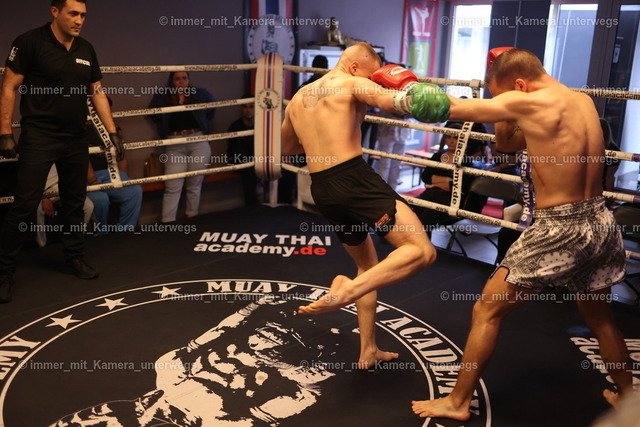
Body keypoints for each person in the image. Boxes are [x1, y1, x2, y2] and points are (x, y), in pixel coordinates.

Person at [411, 48, 632, 420]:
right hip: (599, 222)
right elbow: (508, 144)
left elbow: (452, 107)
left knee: (486, 310)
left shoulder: (531, 101)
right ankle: (628, 398)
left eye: (506, 96)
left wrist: (401, 88)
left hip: (558, 228)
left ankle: (458, 401)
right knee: (600, 319)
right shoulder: (581, 102)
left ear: (519, 84)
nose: (506, 104)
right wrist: (504, 107)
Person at [282, 43, 447, 368]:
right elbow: (392, 103)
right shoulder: (352, 82)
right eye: (373, 75)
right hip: (354, 179)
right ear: (357, 66)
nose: (375, 81)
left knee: (369, 267)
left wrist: (319, 141)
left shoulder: (298, 98)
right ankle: (346, 290)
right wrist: (413, 93)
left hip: (323, 188)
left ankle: (368, 349)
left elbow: (288, 148)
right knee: (422, 251)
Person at [0, 0, 124, 303]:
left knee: (74, 202)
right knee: (24, 204)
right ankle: (4, 272)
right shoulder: (29, 42)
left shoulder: (86, 48)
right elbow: (9, 86)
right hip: (39, 137)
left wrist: (112, 132)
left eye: (83, 15)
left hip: (75, 138)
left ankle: (74, 257)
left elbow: (96, 91)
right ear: (55, 12)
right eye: (73, 13)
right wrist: (5, 132)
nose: (79, 20)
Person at [52, 298, 336, 425]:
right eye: (266, 332)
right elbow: (215, 334)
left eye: (277, 335)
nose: (267, 338)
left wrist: (287, 367)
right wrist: (250, 309)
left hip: (212, 416)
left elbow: (310, 391)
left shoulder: (283, 380)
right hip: (176, 405)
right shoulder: (174, 369)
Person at [148, 72, 216, 223]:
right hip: (174, 142)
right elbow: (151, 112)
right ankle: (167, 221)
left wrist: (204, 123)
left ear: (189, 80)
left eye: (184, 78)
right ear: (171, 81)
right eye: (177, 79)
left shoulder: (199, 93)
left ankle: (192, 216)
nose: (181, 82)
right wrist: (163, 127)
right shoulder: (163, 96)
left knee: (194, 184)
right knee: (172, 185)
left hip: (198, 140)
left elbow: (213, 107)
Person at [415, 120, 489, 235]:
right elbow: (425, 177)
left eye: (455, 137)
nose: (451, 140)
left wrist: (435, 181)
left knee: (422, 223)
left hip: (449, 201)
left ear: (463, 140)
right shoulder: (438, 156)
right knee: (407, 213)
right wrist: (446, 180)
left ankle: (423, 246)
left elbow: (457, 186)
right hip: (428, 194)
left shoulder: (467, 161)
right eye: (448, 137)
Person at [86, 121, 142, 235]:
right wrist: (93, 180)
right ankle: (101, 235)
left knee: (134, 191)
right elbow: (81, 158)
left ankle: (124, 232)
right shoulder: (76, 125)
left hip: (111, 173)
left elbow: (120, 153)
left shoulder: (110, 126)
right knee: (100, 199)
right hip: (84, 176)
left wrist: (123, 177)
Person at [36, 165, 94, 247]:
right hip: (41, 190)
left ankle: (75, 239)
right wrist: (43, 196)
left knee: (88, 206)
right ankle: (41, 244)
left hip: (62, 186)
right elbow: (32, 178)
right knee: (38, 210)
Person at [227, 97, 259, 205]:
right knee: (249, 171)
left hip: (258, 159)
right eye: (245, 107)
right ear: (241, 108)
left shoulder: (261, 125)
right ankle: (252, 207)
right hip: (239, 160)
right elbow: (234, 151)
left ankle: (284, 203)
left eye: (251, 107)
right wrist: (251, 161)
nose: (248, 110)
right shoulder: (235, 126)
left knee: (284, 170)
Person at [374, 110, 410, 190]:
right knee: (385, 164)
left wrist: (409, 113)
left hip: (403, 131)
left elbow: (412, 113)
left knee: (397, 164)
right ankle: (381, 191)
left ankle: (393, 190)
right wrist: (406, 113)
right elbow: (388, 108)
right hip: (387, 130)